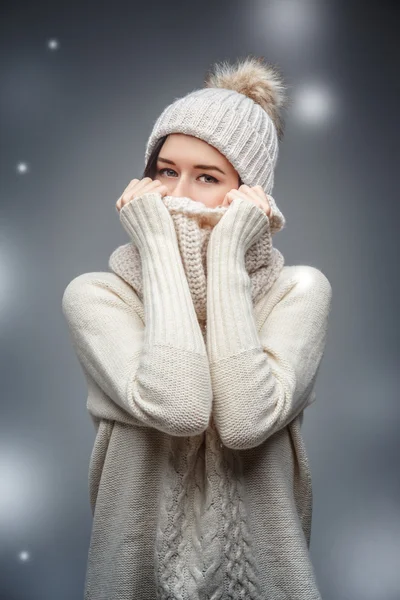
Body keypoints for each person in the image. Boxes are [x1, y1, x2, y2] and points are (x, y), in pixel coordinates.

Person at [62, 55, 332, 599]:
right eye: (165, 171)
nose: (178, 195)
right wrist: (160, 245)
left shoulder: (298, 291)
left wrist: (227, 254)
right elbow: (179, 406)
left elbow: (243, 421)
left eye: (207, 177)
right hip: (133, 577)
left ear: (249, 194)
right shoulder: (99, 295)